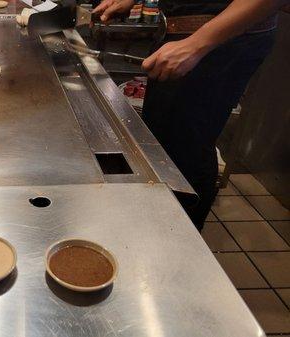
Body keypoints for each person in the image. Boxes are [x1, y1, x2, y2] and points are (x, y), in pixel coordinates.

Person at [92, 0, 288, 231]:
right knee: (166, 147)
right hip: (189, 35)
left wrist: (196, 44)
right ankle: (161, 228)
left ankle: (178, 239)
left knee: (184, 155)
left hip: (217, 40)